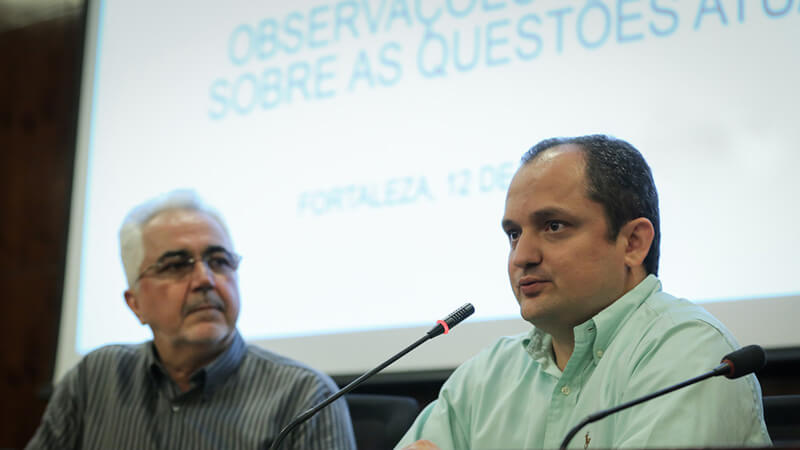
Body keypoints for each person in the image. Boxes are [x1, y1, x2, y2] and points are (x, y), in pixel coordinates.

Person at [397, 135, 771, 449]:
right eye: (514, 234)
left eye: (554, 226)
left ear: (633, 243)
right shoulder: (486, 375)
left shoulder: (688, 351)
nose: (522, 257)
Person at [28, 190, 356, 450]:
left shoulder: (305, 398)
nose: (204, 280)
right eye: (176, 266)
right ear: (135, 304)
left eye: (219, 261)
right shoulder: (95, 379)